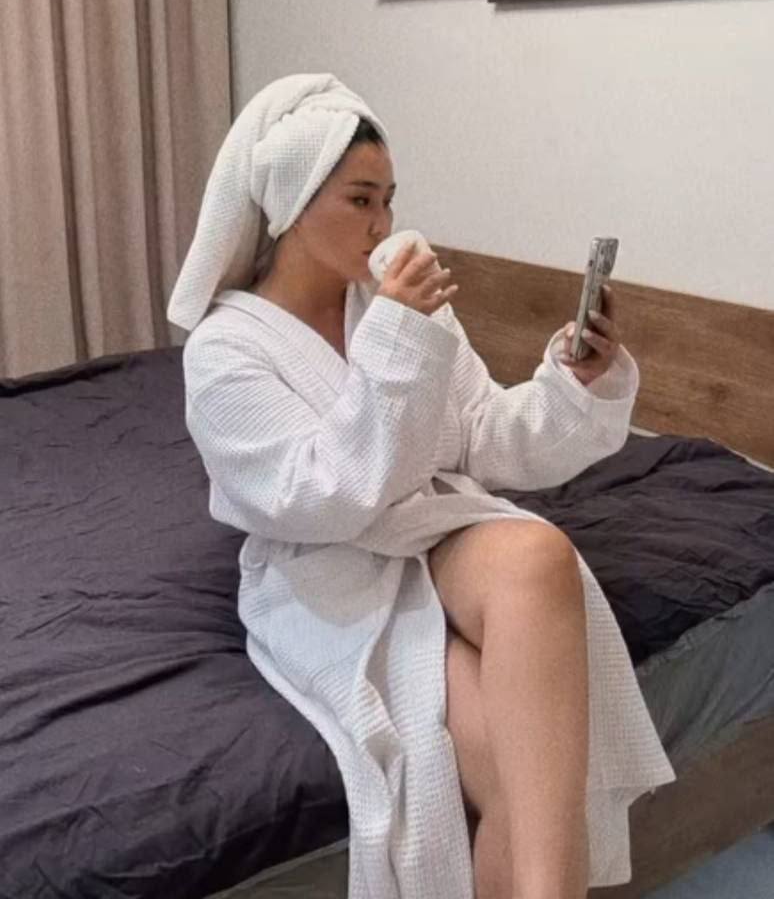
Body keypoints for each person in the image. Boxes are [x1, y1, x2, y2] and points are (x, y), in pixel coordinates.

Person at [168, 73, 675, 899]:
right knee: (514, 779)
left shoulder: (395, 306)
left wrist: (572, 382)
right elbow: (320, 495)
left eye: (389, 200)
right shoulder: (226, 351)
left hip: (428, 537)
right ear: (291, 201)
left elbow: (481, 435)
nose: (384, 224)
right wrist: (400, 335)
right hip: (327, 570)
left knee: (537, 554)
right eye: (359, 200)